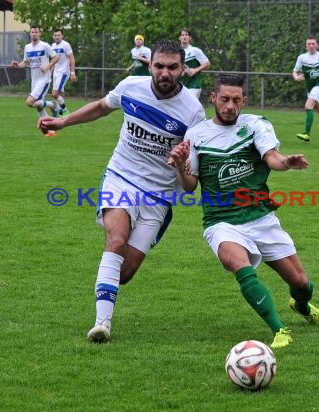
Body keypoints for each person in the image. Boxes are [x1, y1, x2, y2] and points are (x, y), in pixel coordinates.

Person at [38, 40, 205, 343]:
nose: (164, 73)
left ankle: (107, 284)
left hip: (159, 196)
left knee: (124, 273)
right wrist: (63, 121)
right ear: (150, 65)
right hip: (121, 177)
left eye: (172, 67)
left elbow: (191, 187)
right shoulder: (131, 86)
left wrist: (181, 164)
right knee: (116, 240)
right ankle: (102, 324)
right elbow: (102, 107)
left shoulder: (193, 113)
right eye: (159, 66)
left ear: (182, 69)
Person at [169, 74, 319, 350]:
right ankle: (279, 330)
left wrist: (287, 162)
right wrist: (180, 166)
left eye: (235, 100)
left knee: (302, 283)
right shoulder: (197, 135)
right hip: (221, 222)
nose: (230, 106)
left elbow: (272, 159)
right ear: (213, 99)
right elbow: (189, 187)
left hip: (260, 217)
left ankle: (301, 305)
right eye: (224, 99)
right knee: (241, 266)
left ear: (244, 101)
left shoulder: (255, 125)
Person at [11, 24, 59, 136]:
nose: (34, 34)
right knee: (38, 107)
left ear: (40, 33)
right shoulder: (27, 47)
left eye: (36, 32)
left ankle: (52, 104)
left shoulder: (44, 46)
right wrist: (17, 65)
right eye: (32, 32)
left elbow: (56, 57)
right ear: (30, 34)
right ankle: (49, 130)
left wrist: (48, 66)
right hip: (35, 80)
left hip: (44, 79)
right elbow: (25, 62)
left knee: (29, 102)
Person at [179, 28, 210, 99]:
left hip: (194, 85)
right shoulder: (177, 52)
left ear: (190, 38)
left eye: (186, 35)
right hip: (181, 85)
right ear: (179, 38)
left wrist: (195, 70)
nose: (184, 37)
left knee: (189, 107)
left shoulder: (195, 51)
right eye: (182, 35)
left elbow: (207, 64)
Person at [50, 28, 76, 117]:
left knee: (54, 93)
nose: (57, 37)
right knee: (59, 94)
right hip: (56, 72)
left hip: (63, 72)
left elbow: (72, 58)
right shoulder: (53, 46)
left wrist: (72, 73)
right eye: (55, 35)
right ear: (53, 36)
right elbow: (53, 60)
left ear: (62, 36)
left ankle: (64, 110)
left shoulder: (65, 45)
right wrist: (50, 71)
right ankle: (61, 113)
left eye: (59, 35)